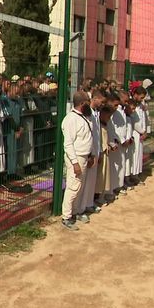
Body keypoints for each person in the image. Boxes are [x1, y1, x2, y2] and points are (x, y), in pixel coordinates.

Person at [61, 91, 94, 231]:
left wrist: (90, 154)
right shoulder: (70, 119)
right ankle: (66, 216)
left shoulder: (84, 117)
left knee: (79, 187)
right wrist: (75, 163)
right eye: (88, 101)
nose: (90, 103)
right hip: (76, 158)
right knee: (73, 187)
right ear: (82, 103)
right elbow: (68, 144)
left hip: (84, 156)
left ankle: (75, 212)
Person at [78, 90, 105, 215]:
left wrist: (98, 151)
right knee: (84, 182)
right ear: (95, 99)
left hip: (95, 149)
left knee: (91, 181)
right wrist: (91, 154)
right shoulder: (87, 114)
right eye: (101, 101)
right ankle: (80, 208)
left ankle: (89, 204)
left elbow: (97, 134)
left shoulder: (96, 113)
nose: (102, 104)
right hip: (87, 151)